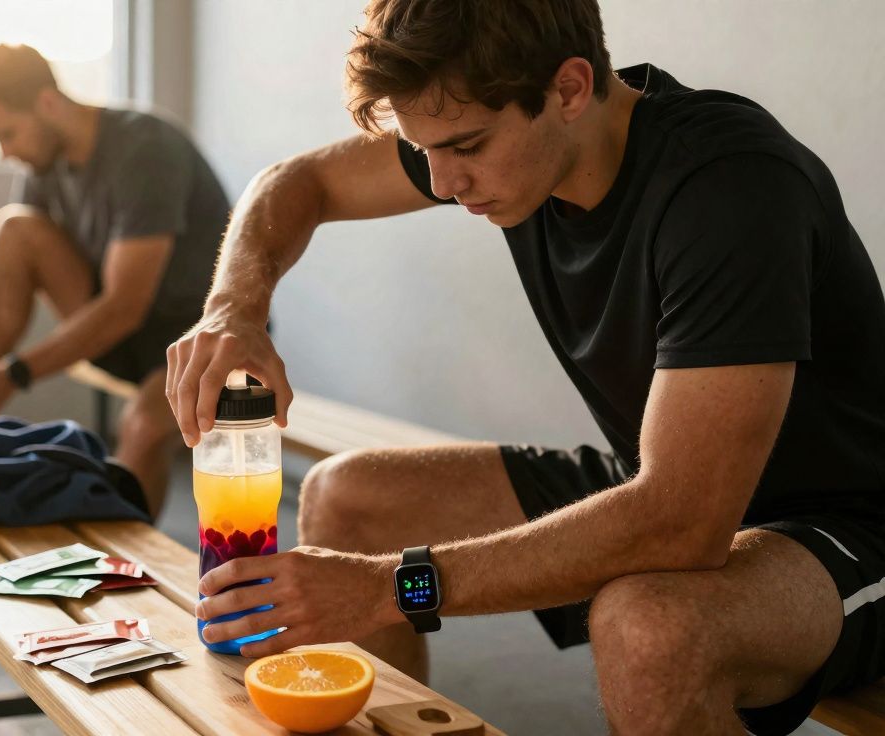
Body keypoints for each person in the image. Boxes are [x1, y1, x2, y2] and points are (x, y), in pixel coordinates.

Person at [166, 1, 885, 734]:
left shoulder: (729, 188)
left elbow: (681, 526)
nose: (443, 182)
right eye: (426, 151)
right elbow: (301, 182)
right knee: (348, 497)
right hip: (665, 479)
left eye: (466, 148)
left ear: (570, 89)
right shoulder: (501, 134)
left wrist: (390, 587)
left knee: (649, 628)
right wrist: (233, 309)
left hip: (846, 524)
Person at [0, 45, 230, 515]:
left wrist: (15, 372)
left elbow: (125, 306)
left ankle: (126, 573)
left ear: (48, 103)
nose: (6, 152)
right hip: (120, 338)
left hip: (198, 343)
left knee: (140, 428)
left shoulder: (145, 149)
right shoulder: (45, 160)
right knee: (14, 227)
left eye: (9, 133)